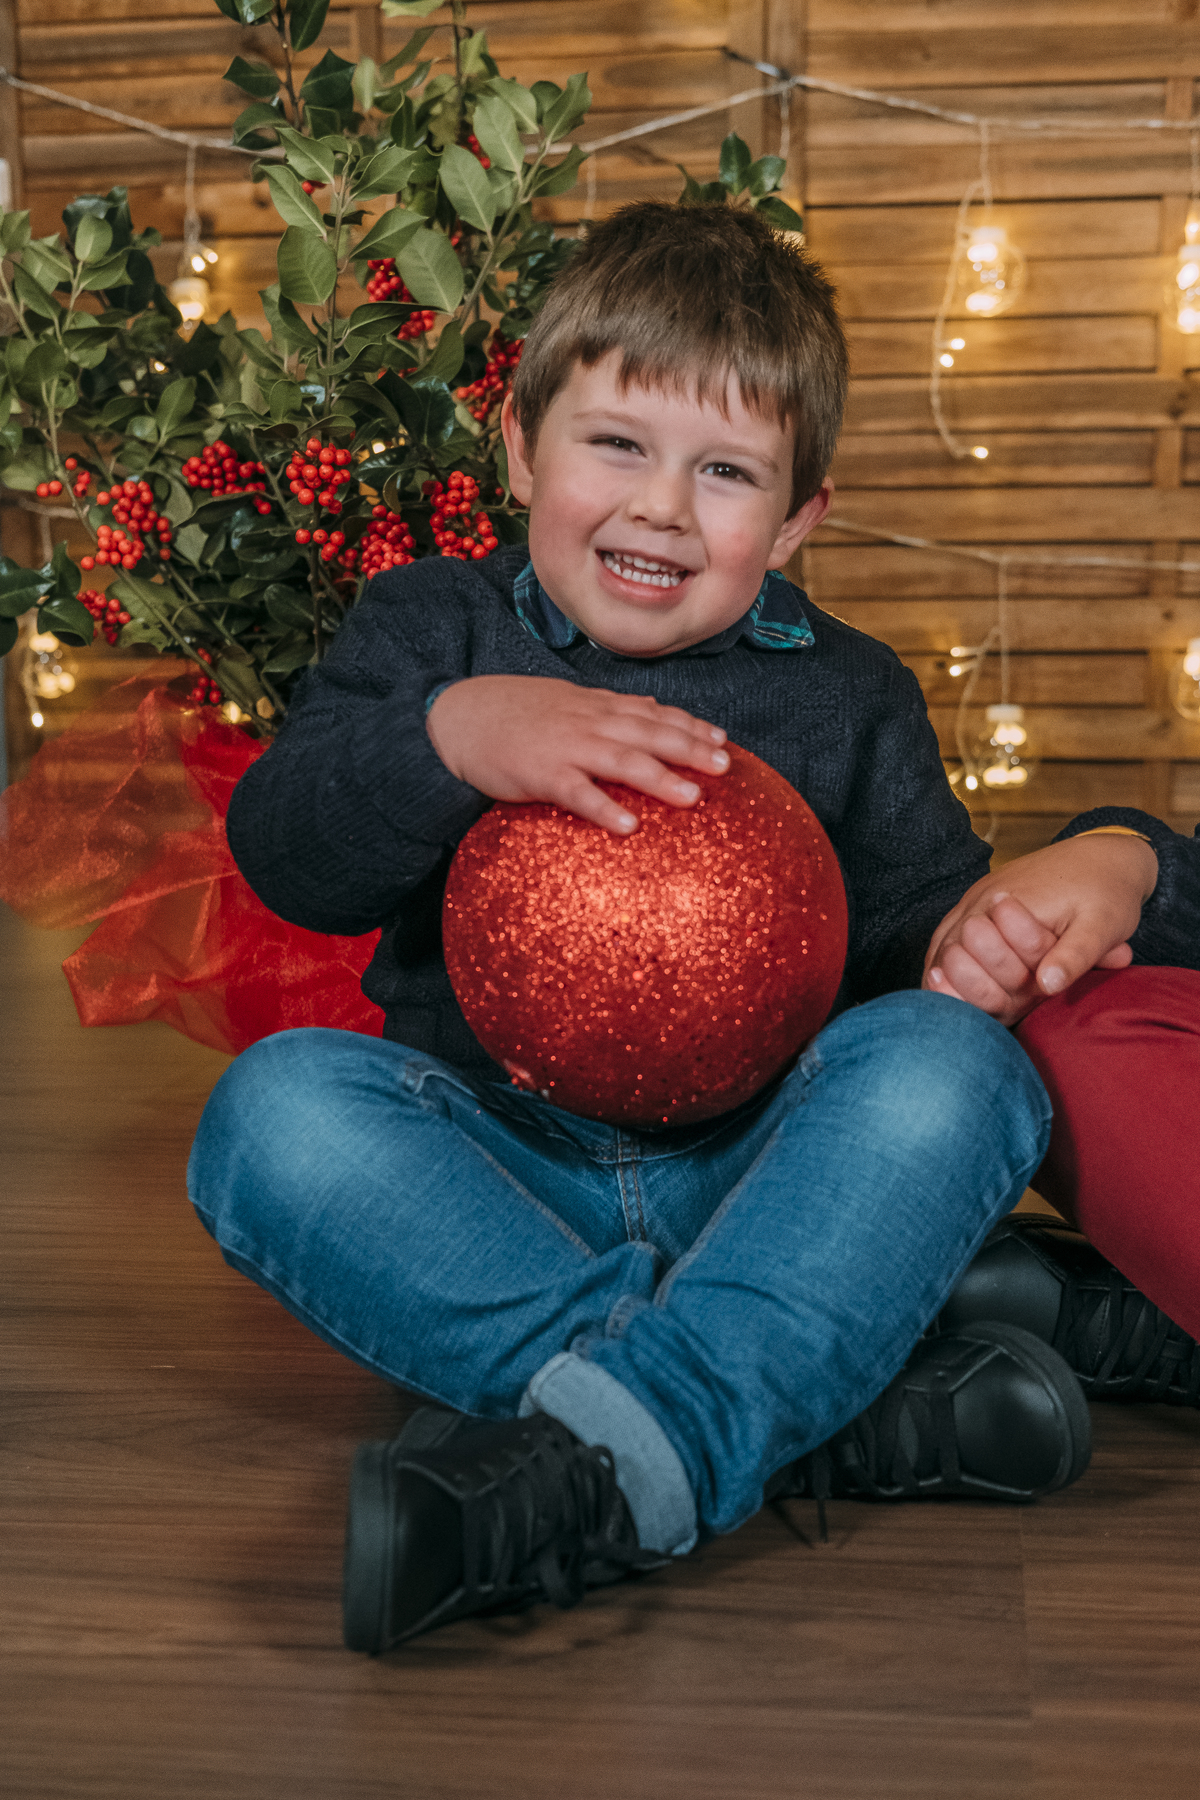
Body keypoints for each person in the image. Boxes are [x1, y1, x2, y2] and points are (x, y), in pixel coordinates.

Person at [187, 202, 1170, 1654]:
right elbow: (288, 855)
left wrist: (988, 942)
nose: (659, 509)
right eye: (617, 446)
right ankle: (814, 1405)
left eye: (726, 475)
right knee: (271, 1115)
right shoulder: (432, 632)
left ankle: (614, 1453)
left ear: (797, 519)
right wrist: (451, 734)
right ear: (521, 447)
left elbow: (905, 940)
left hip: (754, 1174)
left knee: (954, 1068)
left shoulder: (851, 690)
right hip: (497, 1177)